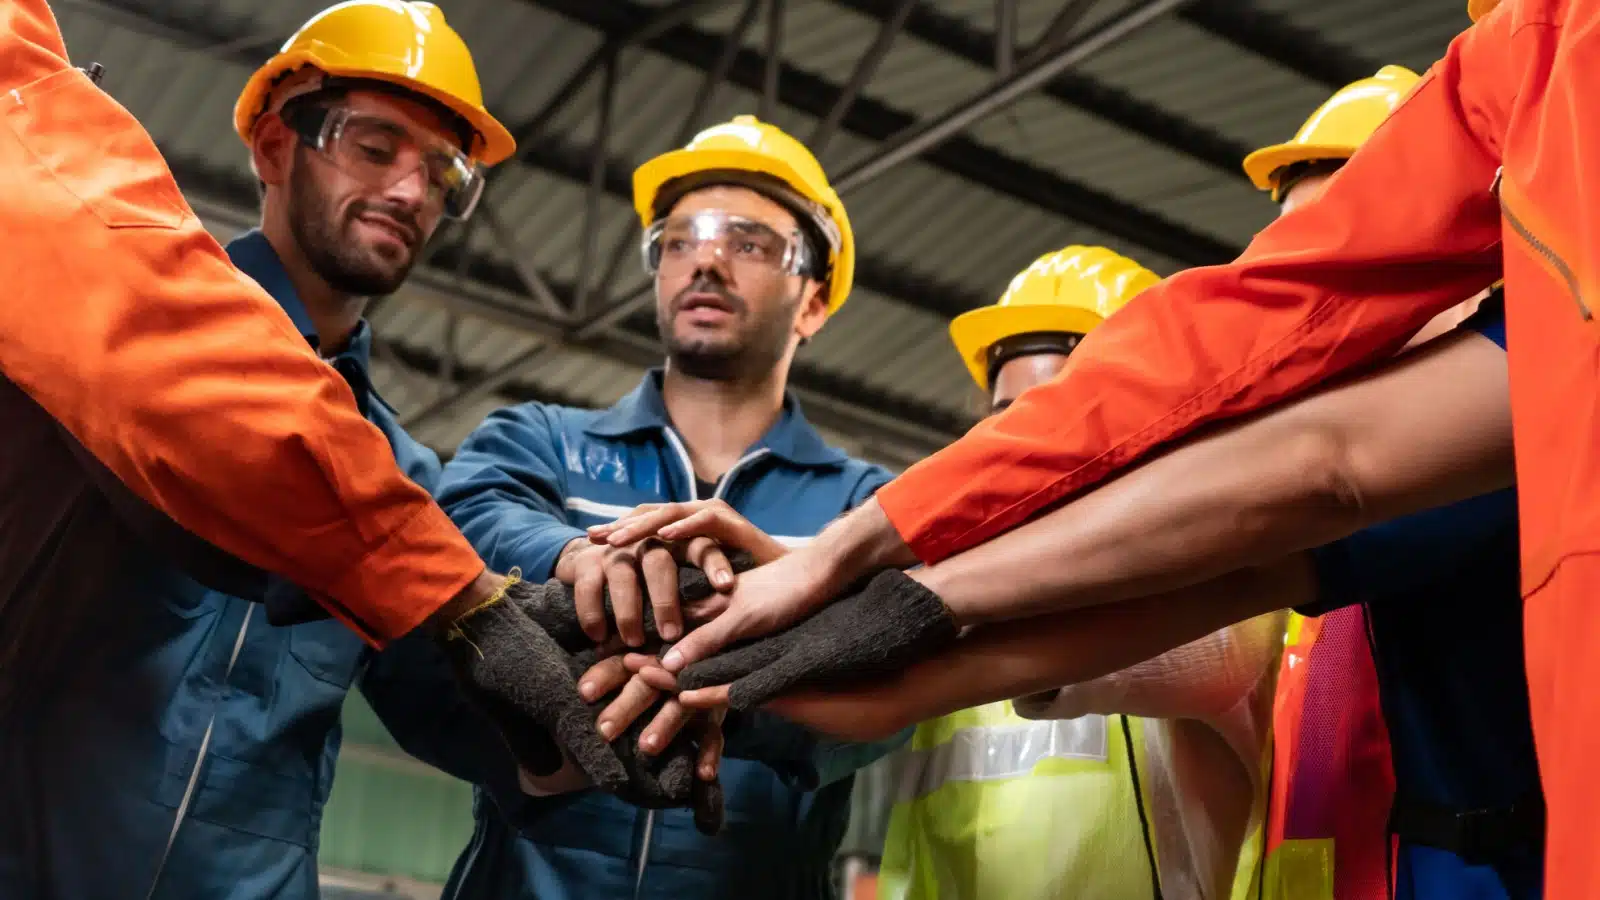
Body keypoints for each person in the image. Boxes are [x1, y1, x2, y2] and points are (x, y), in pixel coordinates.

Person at [660, 0, 1600, 888]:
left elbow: (1306, 481)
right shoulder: (1538, 52)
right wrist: (876, 590)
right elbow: (1281, 455)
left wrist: (887, 581)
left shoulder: (1496, 420)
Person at [0, 4, 627, 898]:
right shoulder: (100, 353)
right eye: (375, 148)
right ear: (273, 147)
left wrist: (615, 693)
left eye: (440, 171)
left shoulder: (404, 475)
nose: (411, 193)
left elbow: (452, 708)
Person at [415, 115, 906, 899]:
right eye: (680, 240)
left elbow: (891, 692)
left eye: (749, 242)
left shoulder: (866, 506)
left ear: (812, 303)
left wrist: (716, 691)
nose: (706, 259)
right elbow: (463, 517)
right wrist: (579, 561)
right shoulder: (537, 439)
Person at [867, 245, 1283, 900]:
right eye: (1009, 422)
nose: (1028, 452)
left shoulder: (1215, 604)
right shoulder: (942, 615)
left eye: (1070, 416)